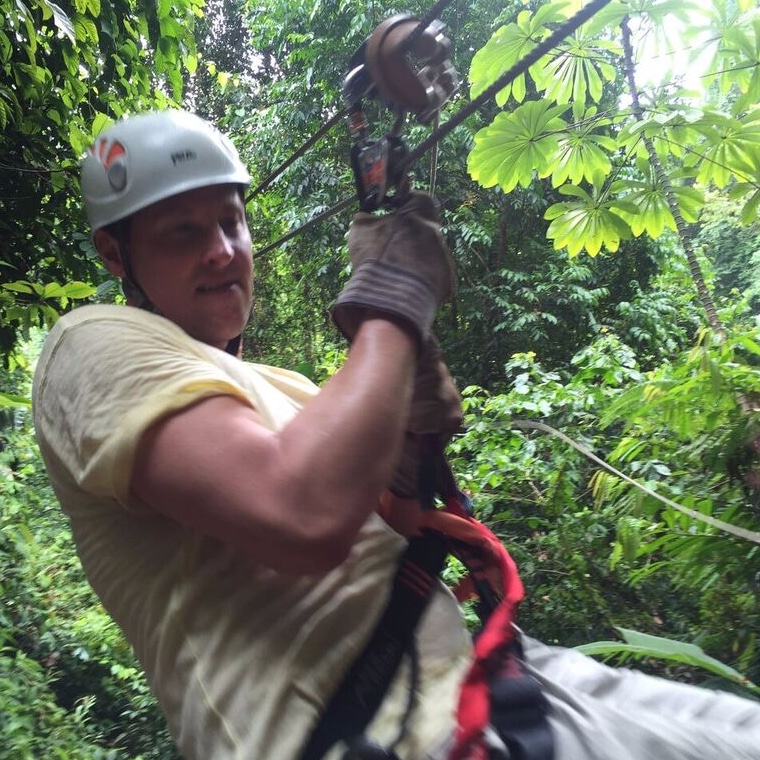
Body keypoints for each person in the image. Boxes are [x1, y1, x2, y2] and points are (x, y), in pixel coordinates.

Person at [33, 110, 760, 760]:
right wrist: (394, 303)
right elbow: (301, 515)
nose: (224, 250)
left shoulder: (287, 390)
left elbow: (390, 522)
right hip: (380, 731)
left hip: (491, 679)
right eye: (184, 232)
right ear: (114, 255)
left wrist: (410, 439)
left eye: (232, 221)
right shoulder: (90, 343)